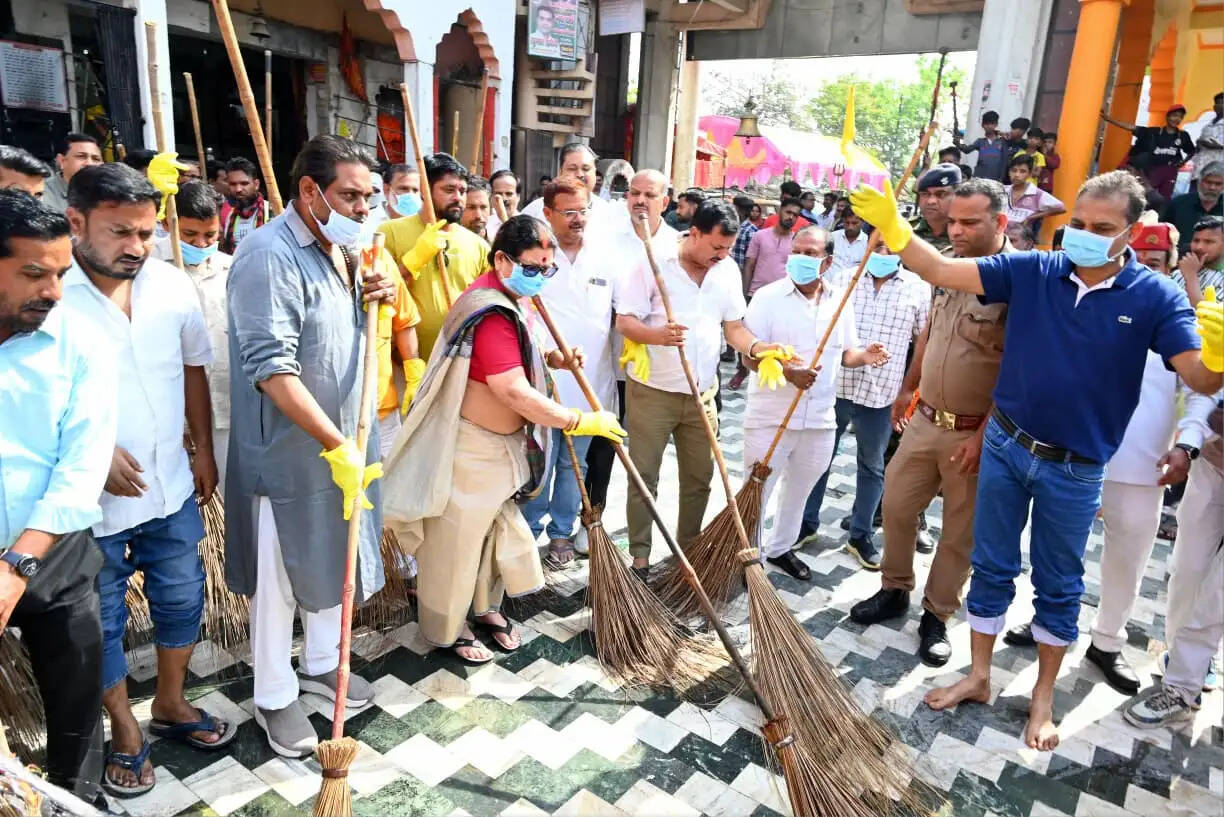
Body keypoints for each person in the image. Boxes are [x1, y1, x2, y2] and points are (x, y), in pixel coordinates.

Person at [850, 168, 1222, 751]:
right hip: (1005, 443)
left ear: (1132, 230)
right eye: (1077, 223)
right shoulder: (1038, 270)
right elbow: (942, 269)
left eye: (1101, 227)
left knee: (1058, 583)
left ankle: (1043, 698)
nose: (1083, 234)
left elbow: (1198, 374)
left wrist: (1218, 348)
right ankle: (978, 675)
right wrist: (896, 226)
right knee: (994, 565)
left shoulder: (1155, 296)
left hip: (1075, 466)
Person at [383, 215, 626, 661]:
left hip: (502, 449)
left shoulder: (512, 298)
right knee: (455, 545)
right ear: (502, 259)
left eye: (546, 269)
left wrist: (553, 356)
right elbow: (512, 389)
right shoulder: (490, 309)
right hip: (472, 450)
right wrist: (577, 420)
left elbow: (520, 355)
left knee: (489, 541)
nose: (539, 278)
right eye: (531, 268)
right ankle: (447, 627)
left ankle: (484, 609)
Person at [58, 164, 227, 795]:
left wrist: (203, 448)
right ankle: (124, 728)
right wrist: (94, 454)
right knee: (100, 619)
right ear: (76, 223)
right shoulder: (48, 294)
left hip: (170, 484)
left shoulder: (170, 286)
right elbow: (27, 394)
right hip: (86, 501)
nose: (136, 247)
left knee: (182, 598)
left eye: (147, 233)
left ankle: (172, 704)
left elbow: (193, 369)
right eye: (120, 232)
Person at [226, 134, 397, 758]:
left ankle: (323, 662)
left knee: (336, 557)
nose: (363, 208)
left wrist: (376, 291)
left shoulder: (344, 248)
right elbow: (272, 370)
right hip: (290, 456)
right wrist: (335, 446)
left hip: (342, 443)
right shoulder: (268, 256)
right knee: (279, 575)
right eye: (350, 196)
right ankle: (273, 694)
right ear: (309, 191)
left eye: (369, 197)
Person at [1004, 221, 1182, 694]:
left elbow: (1200, 389)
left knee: (1127, 559)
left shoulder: (1174, 312)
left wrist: (1186, 443)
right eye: (1141, 256)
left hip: (1145, 466)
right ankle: (1041, 624)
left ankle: (1106, 641)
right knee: (1055, 555)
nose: (1148, 266)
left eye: (1159, 260)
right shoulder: (1090, 299)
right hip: (1075, 454)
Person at [851, 178, 1013, 667]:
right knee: (897, 507)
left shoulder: (1017, 280)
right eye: (954, 221)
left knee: (958, 533)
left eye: (970, 222)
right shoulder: (948, 267)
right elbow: (930, 337)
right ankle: (894, 589)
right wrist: (908, 388)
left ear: (1000, 222)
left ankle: (937, 614)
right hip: (923, 419)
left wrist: (985, 435)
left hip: (972, 431)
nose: (956, 230)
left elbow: (1018, 372)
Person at [0, 190, 115, 808]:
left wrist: (16, 565)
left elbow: (82, 464)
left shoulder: (77, 341)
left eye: (61, 273)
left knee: (75, 707)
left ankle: (80, 798)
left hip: (55, 554)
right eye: (32, 273)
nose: (52, 291)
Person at [616, 200, 784, 572]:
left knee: (700, 479)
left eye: (728, 248)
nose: (723, 255)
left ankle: (686, 555)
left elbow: (734, 327)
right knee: (643, 478)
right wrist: (656, 335)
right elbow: (625, 321)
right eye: (716, 247)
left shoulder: (725, 271)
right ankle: (639, 558)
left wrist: (758, 348)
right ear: (694, 233)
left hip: (702, 394)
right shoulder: (653, 262)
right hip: (652, 392)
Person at [743, 226, 888, 580]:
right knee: (756, 491)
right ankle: (749, 556)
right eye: (797, 252)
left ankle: (780, 548)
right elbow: (747, 355)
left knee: (801, 490)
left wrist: (865, 355)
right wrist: (787, 372)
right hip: (771, 414)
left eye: (810, 254)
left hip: (820, 417)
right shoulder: (768, 297)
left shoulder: (841, 298)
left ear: (827, 262)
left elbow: (846, 354)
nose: (801, 260)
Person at [800, 246, 930, 569]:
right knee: (820, 457)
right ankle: (805, 524)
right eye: (878, 241)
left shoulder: (917, 287)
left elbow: (924, 342)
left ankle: (860, 534)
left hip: (882, 393)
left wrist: (908, 390)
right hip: (837, 385)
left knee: (872, 464)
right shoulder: (844, 279)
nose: (883, 249)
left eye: (890, 244)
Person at [523, 179, 620, 566]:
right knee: (539, 462)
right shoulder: (536, 258)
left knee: (573, 464)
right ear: (548, 214)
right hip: (543, 381)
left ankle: (561, 532)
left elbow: (620, 314)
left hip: (590, 381)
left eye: (584, 211)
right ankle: (529, 531)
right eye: (569, 212)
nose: (578, 219)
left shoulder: (604, 256)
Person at [583, 170, 680, 536]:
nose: (639, 200)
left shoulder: (675, 246)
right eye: (633, 193)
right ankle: (592, 513)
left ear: (664, 202)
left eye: (649, 195)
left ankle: (640, 525)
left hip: (654, 365)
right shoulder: (605, 241)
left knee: (644, 449)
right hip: (607, 357)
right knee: (604, 440)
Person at [153, 182, 234, 488]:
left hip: (225, 405)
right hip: (171, 413)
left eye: (210, 235)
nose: (201, 244)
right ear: (167, 225)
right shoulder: (148, 269)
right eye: (189, 235)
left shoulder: (232, 269)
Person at [379, 152, 489, 360]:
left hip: (458, 361)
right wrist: (411, 262)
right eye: (449, 190)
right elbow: (377, 295)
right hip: (403, 362)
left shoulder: (478, 245)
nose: (458, 198)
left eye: (462, 191)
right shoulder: (389, 232)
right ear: (425, 191)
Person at [730, 196, 802, 390]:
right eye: (788, 212)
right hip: (756, 292)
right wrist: (744, 294)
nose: (791, 217)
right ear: (779, 213)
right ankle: (742, 369)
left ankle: (777, 368)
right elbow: (749, 264)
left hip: (784, 297)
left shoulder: (796, 242)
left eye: (795, 215)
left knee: (777, 336)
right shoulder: (760, 236)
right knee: (748, 334)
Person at [1104, 104, 1197, 198]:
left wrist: (1183, 162)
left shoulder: (1183, 136)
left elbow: (1192, 151)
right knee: (1145, 196)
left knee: (1165, 199)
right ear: (1167, 116)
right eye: (1174, 115)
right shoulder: (1154, 132)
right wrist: (1109, 119)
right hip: (1153, 170)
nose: (1177, 119)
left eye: (1180, 117)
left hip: (1170, 171)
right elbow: (1132, 127)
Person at [522, 143, 612, 226]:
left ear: (595, 173)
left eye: (586, 169)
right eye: (572, 168)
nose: (580, 174)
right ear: (560, 172)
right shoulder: (535, 211)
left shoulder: (608, 214)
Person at [1163, 161, 1224, 257]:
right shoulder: (1178, 204)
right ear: (1199, 182)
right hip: (1180, 260)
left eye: (1218, 184)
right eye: (1208, 182)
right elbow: (1164, 232)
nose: (1212, 187)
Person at [1003, 154, 1065, 248]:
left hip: (1021, 245)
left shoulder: (1036, 193)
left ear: (1030, 174)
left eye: (1022, 171)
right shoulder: (1002, 190)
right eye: (1014, 170)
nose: (1017, 175)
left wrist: (1032, 217)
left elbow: (1061, 208)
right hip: (1000, 240)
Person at [41, 132, 102, 213]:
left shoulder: (108, 193)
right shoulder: (41, 194)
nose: (89, 163)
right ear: (62, 161)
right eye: (81, 156)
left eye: (96, 159)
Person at [1173, 215, 1224, 307]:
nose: (1199, 247)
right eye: (1196, 240)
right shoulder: (1178, 274)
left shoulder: (1188, 273)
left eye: (1208, 242)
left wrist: (1191, 277)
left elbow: (1205, 316)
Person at [219, 157, 266, 254]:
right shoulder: (231, 216)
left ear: (256, 184)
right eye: (233, 184)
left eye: (244, 183)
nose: (238, 189)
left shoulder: (272, 211)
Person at [912, 163, 961, 252]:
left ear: (957, 196)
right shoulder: (906, 230)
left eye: (940, 194)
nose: (931, 201)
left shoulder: (967, 235)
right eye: (925, 194)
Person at [956, 111, 1008, 182]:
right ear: (982, 125)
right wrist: (958, 144)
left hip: (995, 180)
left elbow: (1004, 161)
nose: (989, 126)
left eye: (992, 123)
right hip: (978, 178)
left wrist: (1001, 178)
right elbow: (967, 150)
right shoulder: (980, 141)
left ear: (996, 125)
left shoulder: (1002, 142)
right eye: (987, 124)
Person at [1193, 92, 1224, 190]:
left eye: (1222, 103)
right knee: (1193, 197)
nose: (1220, 106)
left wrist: (1218, 146)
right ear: (1214, 106)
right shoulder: (1207, 125)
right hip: (1200, 168)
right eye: (1218, 103)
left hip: (1217, 171)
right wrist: (1199, 144)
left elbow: (1218, 145)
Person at [730, 194, 760, 271]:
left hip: (740, 274)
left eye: (735, 208)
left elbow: (751, 260)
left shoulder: (751, 230)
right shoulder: (730, 226)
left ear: (741, 211)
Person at [488, 168, 521, 236]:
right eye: (499, 194)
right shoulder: (486, 225)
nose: (504, 199)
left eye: (509, 194)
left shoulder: (528, 225)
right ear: (491, 197)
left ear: (518, 197)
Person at [462, 176, 493, 241]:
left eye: (483, 207)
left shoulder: (500, 246)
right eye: (471, 207)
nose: (478, 216)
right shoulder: (444, 245)